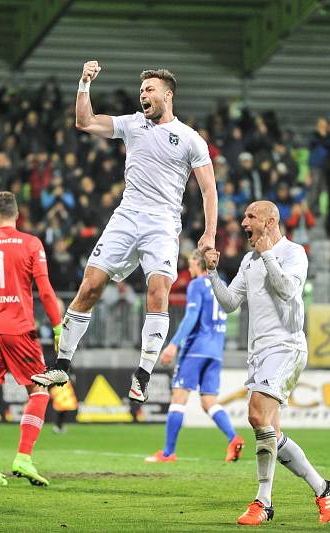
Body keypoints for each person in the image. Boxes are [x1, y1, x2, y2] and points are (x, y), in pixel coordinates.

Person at [32, 61, 218, 404]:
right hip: (126, 216)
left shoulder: (191, 139)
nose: (143, 94)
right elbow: (84, 121)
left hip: (162, 222)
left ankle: (143, 374)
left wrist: (209, 234)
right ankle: (61, 365)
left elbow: (208, 189)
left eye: (149, 90)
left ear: (168, 95)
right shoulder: (133, 124)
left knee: (159, 290)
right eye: (141, 90)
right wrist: (84, 84)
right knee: (89, 286)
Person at [203, 201, 330, 526]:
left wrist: (267, 255)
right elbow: (230, 303)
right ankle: (322, 488)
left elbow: (289, 290)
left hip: (287, 346)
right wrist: (211, 272)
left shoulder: (294, 253)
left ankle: (263, 502)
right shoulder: (249, 262)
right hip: (260, 353)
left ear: (271, 220)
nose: (244, 221)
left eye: (251, 216)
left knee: (255, 412)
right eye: (245, 216)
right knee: (270, 432)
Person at [0, 191, 62, 488]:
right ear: (17, 215)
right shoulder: (31, 243)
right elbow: (45, 291)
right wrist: (57, 328)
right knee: (41, 390)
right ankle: (23, 456)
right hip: (19, 328)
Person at [144, 251, 244, 464]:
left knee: (178, 399)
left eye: (191, 263)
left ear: (199, 263)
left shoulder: (197, 285)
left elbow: (191, 317)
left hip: (195, 350)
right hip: (216, 351)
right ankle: (233, 438)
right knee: (209, 402)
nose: (188, 268)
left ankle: (168, 453)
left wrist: (173, 345)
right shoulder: (221, 284)